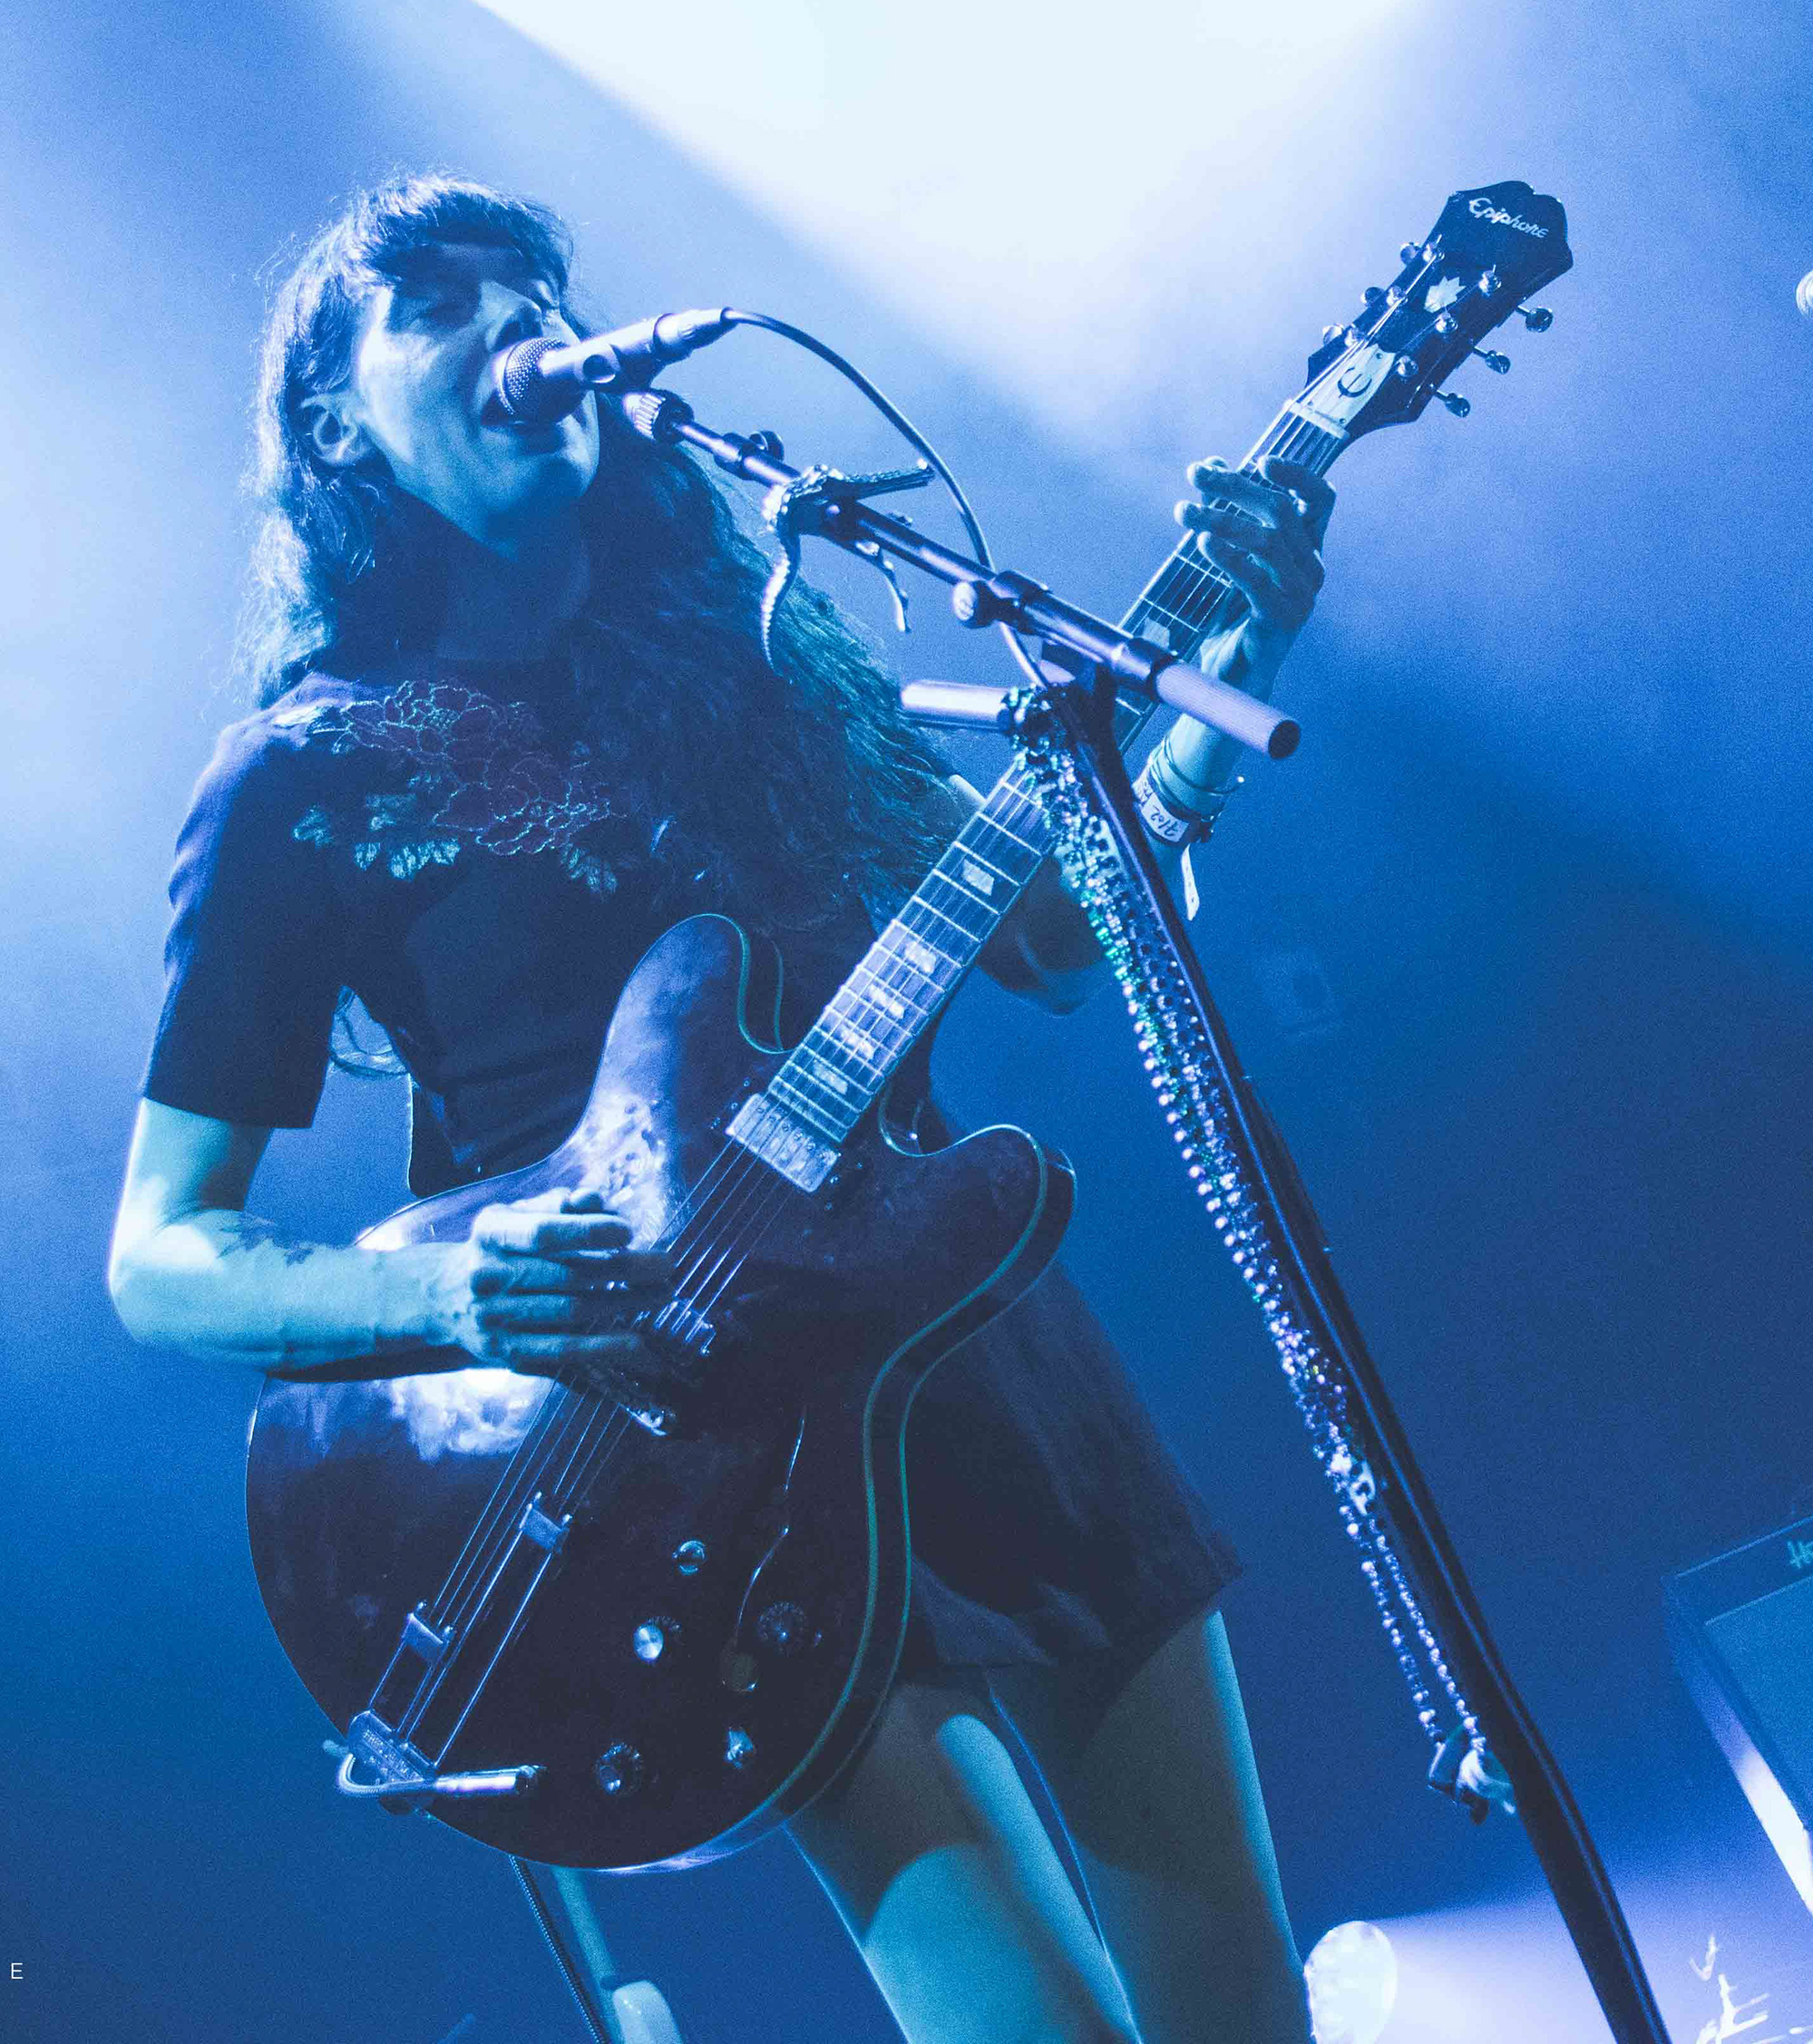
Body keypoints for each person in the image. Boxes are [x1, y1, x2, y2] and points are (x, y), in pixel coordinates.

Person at [104, 175, 1326, 2044]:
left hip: (984, 1346)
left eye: (538, 287)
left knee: (1247, 2019)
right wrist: (447, 1293)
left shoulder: (763, 645)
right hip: (702, 1447)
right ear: (337, 424)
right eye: (439, 303)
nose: (521, 324)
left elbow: (1054, 937)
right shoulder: (301, 772)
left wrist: (1211, 699)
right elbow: (159, 1254)